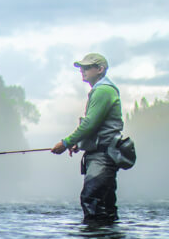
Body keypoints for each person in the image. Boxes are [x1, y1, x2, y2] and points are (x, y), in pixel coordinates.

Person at [51, 53, 124, 222]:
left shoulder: (103, 91)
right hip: (102, 153)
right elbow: (96, 126)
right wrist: (80, 144)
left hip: (103, 156)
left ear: (100, 69)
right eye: (81, 68)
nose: (82, 71)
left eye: (87, 67)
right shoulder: (101, 90)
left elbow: (90, 123)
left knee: (91, 199)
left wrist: (66, 143)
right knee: (106, 204)